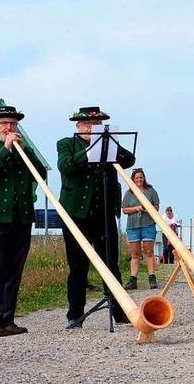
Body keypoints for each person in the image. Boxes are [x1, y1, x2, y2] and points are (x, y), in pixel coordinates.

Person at [57, 106, 136, 328]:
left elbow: (129, 159)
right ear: (78, 126)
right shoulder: (66, 144)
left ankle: (119, 311)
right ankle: (75, 314)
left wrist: (111, 147)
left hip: (104, 212)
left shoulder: (109, 144)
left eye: (97, 124)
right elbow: (66, 166)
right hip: (76, 214)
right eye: (88, 125)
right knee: (78, 265)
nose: (93, 128)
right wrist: (91, 148)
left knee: (111, 263)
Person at [0, 106, 47, 338]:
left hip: (21, 217)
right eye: (4, 123)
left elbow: (40, 174)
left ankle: (7, 318)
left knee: (14, 270)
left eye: (13, 124)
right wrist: (6, 148)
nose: (9, 128)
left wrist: (28, 153)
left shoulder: (24, 151)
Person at [122, 168, 160, 290]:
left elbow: (157, 207)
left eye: (141, 177)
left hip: (148, 224)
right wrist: (137, 208)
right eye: (137, 177)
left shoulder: (151, 191)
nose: (139, 179)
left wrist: (147, 208)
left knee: (149, 252)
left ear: (144, 178)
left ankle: (152, 278)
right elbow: (124, 210)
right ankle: (133, 280)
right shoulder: (129, 193)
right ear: (133, 179)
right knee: (135, 253)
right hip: (133, 226)